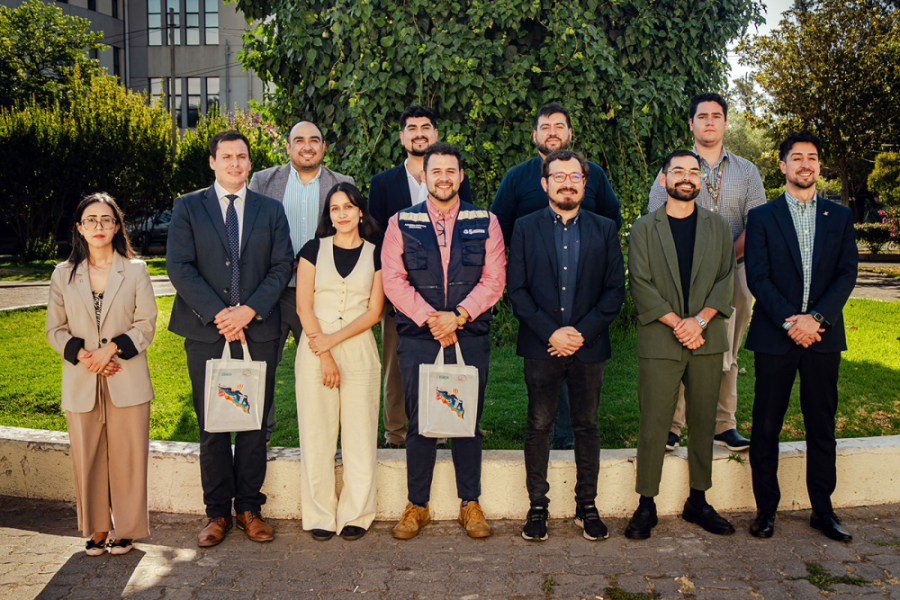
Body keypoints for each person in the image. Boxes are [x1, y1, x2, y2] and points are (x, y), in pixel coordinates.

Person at [167, 130, 293, 547]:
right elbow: (179, 267)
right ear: (212, 162)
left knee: (255, 424)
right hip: (206, 330)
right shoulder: (188, 206)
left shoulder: (271, 210)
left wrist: (248, 311)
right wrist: (222, 315)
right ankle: (217, 512)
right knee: (214, 425)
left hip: (258, 331)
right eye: (227, 157)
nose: (235, 163)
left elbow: (281, 266)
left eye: (242, 156)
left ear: (249, 162)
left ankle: (250, 509)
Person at [382, 142, 506, 539]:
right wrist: (430, 318)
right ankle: (417, 505)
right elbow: (393, 279)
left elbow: (494, 278)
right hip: (419, 336)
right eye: (436, 171)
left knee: (466, 420)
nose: (443, 177)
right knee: (419, 422)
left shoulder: (485, 220)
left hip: (469, 334)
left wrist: (459, 317)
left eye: (451, 170)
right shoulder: (400, 221)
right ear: (424, 175)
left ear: (461, 176)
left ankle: (470, 503)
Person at [744, 131, 858, 542]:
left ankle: (822, 511)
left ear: (818, 166)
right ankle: (765, 510)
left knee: (822, 425)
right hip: (775, 337)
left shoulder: (840, 217)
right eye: (797, 157)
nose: (805, 164)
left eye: (812, 157)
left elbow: (847, 274)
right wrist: (791, 322)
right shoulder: (762, 217)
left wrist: (817, 319)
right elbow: (757, 275)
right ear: (783, 166)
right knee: (766, 425)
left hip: (823, 338)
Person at [507, 150, 625, 542]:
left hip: (588, 347)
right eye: (558, 176)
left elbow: (613, 291)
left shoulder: (605, 228)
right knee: (539, 425)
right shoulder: (524, 227)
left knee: (586, 426)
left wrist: (579, 333)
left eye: (575, 176)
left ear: (584, 183)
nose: (567, 182)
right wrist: (551, 333)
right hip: (542, 347)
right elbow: (518, 291)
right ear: (545, 184)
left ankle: (586, 506)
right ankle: (537, 506)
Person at [491, 102, 623, 450]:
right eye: (545, 126)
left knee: (579, 369)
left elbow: (612, 217)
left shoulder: (592, 173)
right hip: (537, 293)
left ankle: (569, 436)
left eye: (559, 125)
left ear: (569, 133)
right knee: (546, 367)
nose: (553, 131)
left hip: (585, 290)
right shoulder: (517, 177)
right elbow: (498, 225)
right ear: (534, 135)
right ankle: (547, 434)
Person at [626, 150, 736, 540]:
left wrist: (699, 321)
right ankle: (646, 503)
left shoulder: (719, 227)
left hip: (706, 338)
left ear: (701, 181)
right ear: (664, 179)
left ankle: (699, 500)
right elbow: (640, 283)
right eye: (678, 171)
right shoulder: (643, 228)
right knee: (655, 421)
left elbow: (726, 280)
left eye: (693, 171)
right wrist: (678, 323)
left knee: (704, 420)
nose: (686, 177)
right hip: (660, 337)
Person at [647, 93, 766, 453]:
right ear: (691, 124)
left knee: (726, 348)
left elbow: (757, 224)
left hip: (737, 273)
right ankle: (672, 426)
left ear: (726, 123)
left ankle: (724, 425)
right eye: (702, 116)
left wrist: (722, 258)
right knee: (682, 340)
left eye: (717, 116)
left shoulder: (746, 171)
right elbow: (657, 217)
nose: (710, 121)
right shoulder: (674, 168)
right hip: (682, 276)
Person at [46, 193, 158, 556]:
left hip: (126, 375)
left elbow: (146, 324)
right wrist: (86, 357)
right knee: (88, 458)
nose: (99, 226)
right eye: (91, 220)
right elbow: (55, 330)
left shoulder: (136, 270)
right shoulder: (63, 275)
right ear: (79, 227)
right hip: (81, 380)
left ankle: (126, 529)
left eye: (106, 220)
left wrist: (110, 350)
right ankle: (96, 529)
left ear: (116, 226)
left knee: (128, 457)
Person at [368, 105, 473, 448]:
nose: (419, 133)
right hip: (399, 292)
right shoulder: (383, 184)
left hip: (446, 294)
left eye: (426, 127)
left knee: (443, 358)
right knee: (395, 366)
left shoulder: (455, 180)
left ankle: (440, 428)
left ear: (435, 134)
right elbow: (376, 237)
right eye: (411, 127)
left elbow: (464, 233)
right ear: (402, 137)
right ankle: (395, 433)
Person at [248, 120, 355, 442]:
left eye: (314, 140)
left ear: (324, 147)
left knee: (330, 363)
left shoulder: (343, 183)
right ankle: (258, 436)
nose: (307, 146)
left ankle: (329, 437)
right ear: (288, 146)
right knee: (261, 366)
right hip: (272, 292)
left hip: (324, 293)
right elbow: (250, 233)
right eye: (299, 140)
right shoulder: (263, 181)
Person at [295, 183, 384, 542]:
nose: (342, 214)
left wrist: (335, 341)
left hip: (360, 350)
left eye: (348, 207)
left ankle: (356, 513)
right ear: (328, 215)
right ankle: (319, 513)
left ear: (360, 212)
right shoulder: (312, 250)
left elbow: (375, 312)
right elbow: (304, 305)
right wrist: (325, 351)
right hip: (315, 349)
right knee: (317, 434)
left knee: (360, 435)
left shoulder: (377, 254)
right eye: (335, 209)